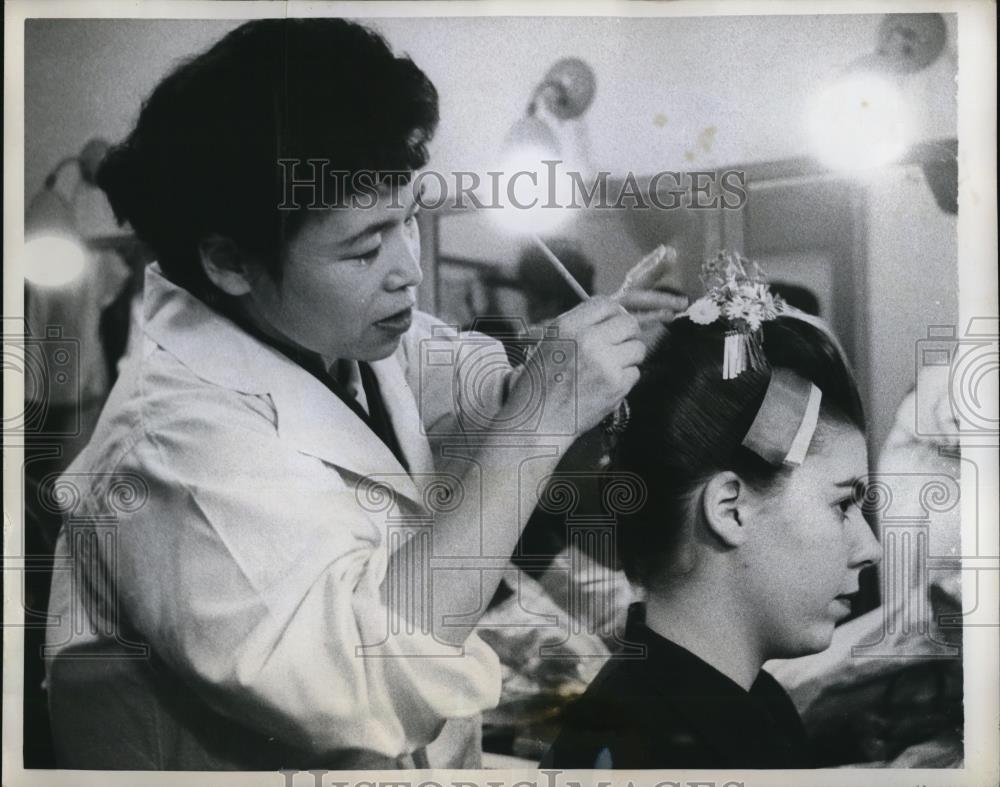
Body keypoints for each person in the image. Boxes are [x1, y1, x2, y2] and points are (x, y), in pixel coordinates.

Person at [42, 19, 680, 770]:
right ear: (228, 260)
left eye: (408, 218)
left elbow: (464, 377)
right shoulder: (170, 448)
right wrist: (540, 418)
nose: (408, 268)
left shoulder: (330, 331)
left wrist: (573, 351)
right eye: (367, 245)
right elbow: (375, 671)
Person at [543, 257, 882, 769]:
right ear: (730, 508)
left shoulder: (755, 702)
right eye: (842, 505)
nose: (871, 548)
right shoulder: (650, 750)